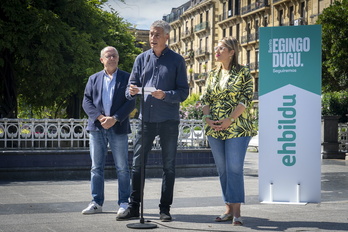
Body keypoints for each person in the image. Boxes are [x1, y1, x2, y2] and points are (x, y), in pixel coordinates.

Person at [116, 20, 189, 222]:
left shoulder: (177, 60)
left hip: (168, 121)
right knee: (138, 164)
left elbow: (183, 92)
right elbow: (131, 86)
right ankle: (134, 206)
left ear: (166, 37)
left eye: (157, 35)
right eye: (150, 34)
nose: (152, 38)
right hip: (145, 120)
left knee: (169, 167)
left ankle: (164, 208)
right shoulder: (141, 59)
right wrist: (131, 91)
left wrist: (165, 95)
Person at [200, 37, 256, 226]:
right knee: (223, 170)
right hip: (214, 128)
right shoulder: (212, 74)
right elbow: (205, 98)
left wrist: (229, 120)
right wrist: (207, 118)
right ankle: (228, 209)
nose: (216, 51)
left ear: (232, 52)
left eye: (221, 48)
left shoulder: (243, 73)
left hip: (238, 128)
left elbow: (245, 100)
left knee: (234, 168)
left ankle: (237, 212)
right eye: (216, 48)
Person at [81, 46, 135, 215]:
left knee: (122, 168)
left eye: (114, 56)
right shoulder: (93, 79)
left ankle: (124, 203)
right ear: (102, 60)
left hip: (118, 127)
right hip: (97, 128)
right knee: (96, 167)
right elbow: (86, 102)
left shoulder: (127, 78)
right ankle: (96, 203)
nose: (111, 58)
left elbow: (131, 102)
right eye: (108, 56)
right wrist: (100, 118)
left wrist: (115, 118)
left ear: (118, 59)